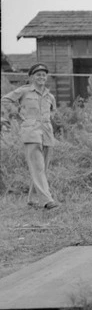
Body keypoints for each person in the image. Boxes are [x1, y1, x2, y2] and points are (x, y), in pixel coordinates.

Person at [1, 63, 59, 209]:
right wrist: (18, 115)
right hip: (31, 132)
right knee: (38, 167)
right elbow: (5, 100)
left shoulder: (50, 96)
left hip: (46, 133)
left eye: (44, 75)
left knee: (43, 168)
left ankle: (32, 199)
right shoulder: (24, 91)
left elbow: (53, 112)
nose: (41, 77)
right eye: (38, 75)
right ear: (32, 77)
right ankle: (47, 201)